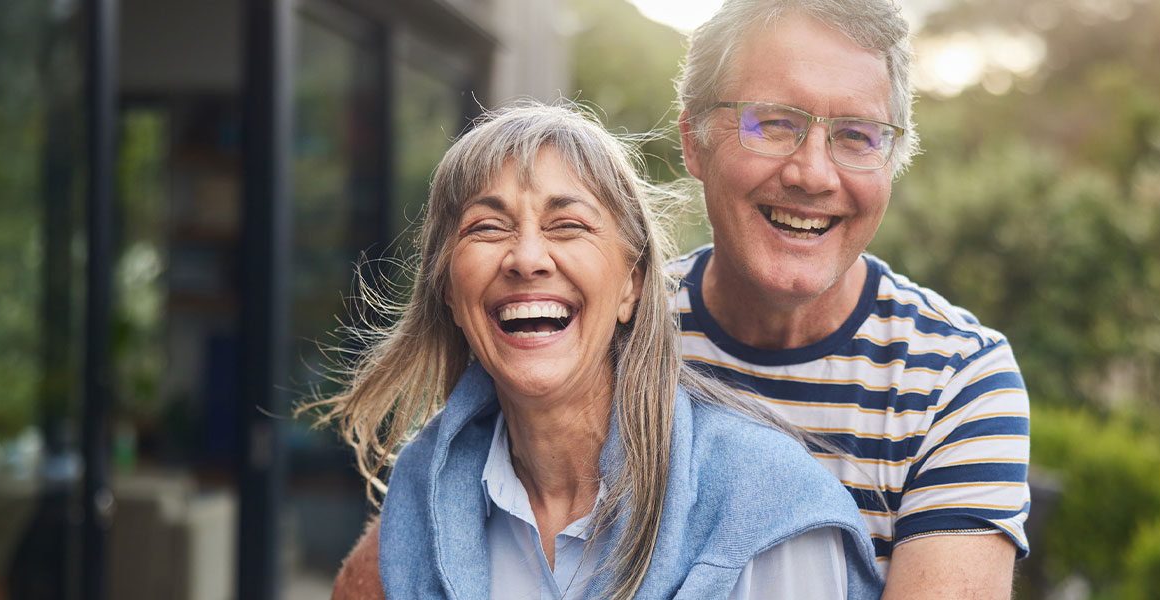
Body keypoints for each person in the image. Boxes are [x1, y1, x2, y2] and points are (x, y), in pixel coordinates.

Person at [334, 0, 1031, 597]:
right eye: (773, 122)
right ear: (693, 140)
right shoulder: (585, 322)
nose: (813, 173)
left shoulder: (956, 380)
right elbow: (436, 524)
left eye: (856, 136)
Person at [313, 102, 882, 600]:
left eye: (567, 225)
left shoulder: (767, 505)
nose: (526, 258)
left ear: (632, 285)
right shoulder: (421, 495)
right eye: (487, 227)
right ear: (447, 292)